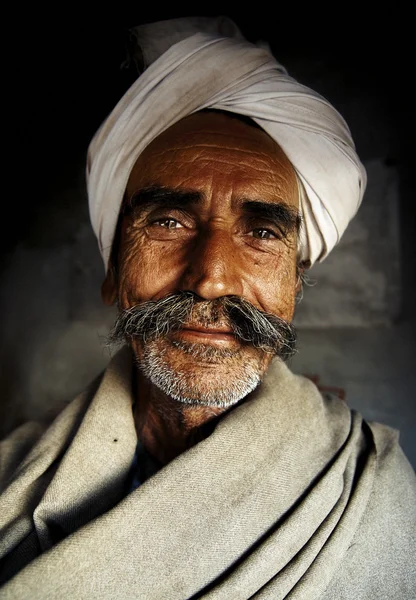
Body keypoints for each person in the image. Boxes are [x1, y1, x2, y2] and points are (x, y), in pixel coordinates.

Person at [0, 16, 415, 600]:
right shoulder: (11, 486)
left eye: (263, 234)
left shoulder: (372, 491)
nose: (213, 278)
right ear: (114, 271)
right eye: (168, 222)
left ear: (295, 286)